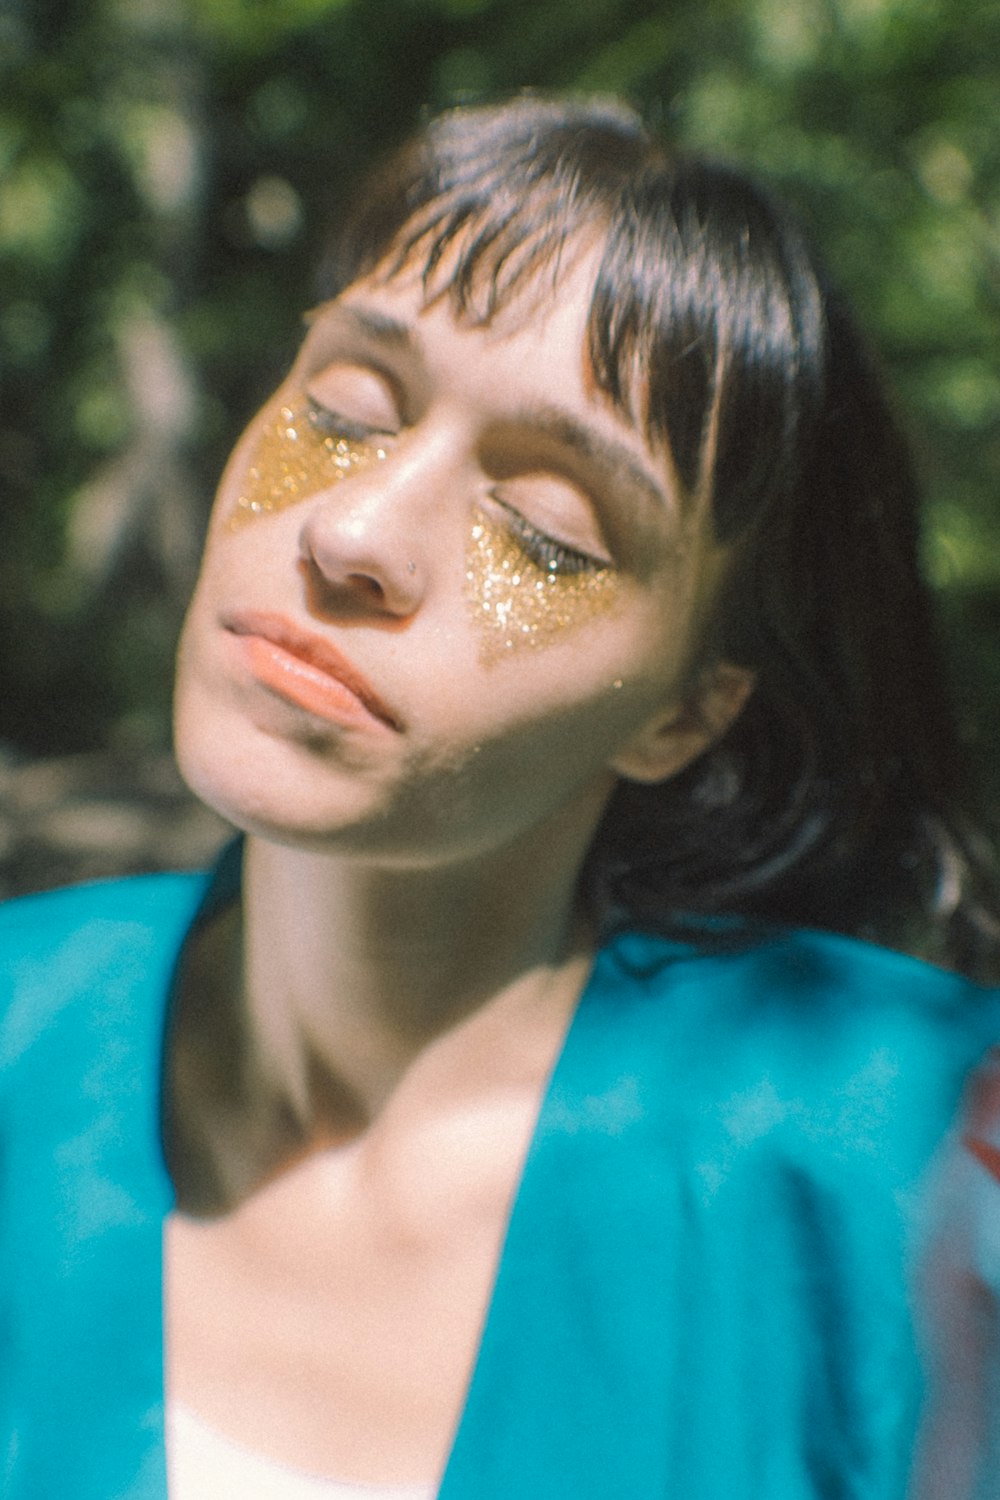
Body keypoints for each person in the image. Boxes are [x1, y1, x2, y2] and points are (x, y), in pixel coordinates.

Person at [2, 94, 999, 1499]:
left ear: (684, 711)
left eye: (544, 532)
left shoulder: (922, 1163)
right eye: (344, 411)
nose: (351, 535)